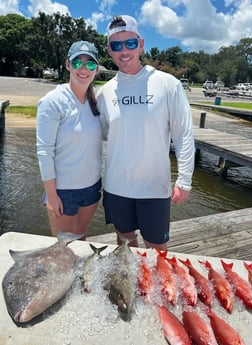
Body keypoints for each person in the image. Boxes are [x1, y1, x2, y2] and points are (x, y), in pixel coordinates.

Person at [97, 15, 195, 250]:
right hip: (116, 188)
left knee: (157, 249)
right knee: (125, 244)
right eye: (116, 45)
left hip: (155, 189)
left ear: (141, 44)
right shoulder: (104, 92)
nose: (124, 51)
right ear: (109, 50)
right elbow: (94, 135)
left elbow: (183, 133)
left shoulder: (167, 84)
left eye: (130, 43)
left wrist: (185, 180)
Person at [36, 41, 102, 239]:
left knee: (80, 237)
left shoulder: (95, 102)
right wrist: (52, 195)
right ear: (67, 65)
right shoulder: (52, 101)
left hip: (91, 187)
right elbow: (44, 151)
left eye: (90, 64)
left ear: (96, 69)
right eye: (77, 63)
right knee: (63, 245)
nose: (83, 69)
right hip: (63, 190)